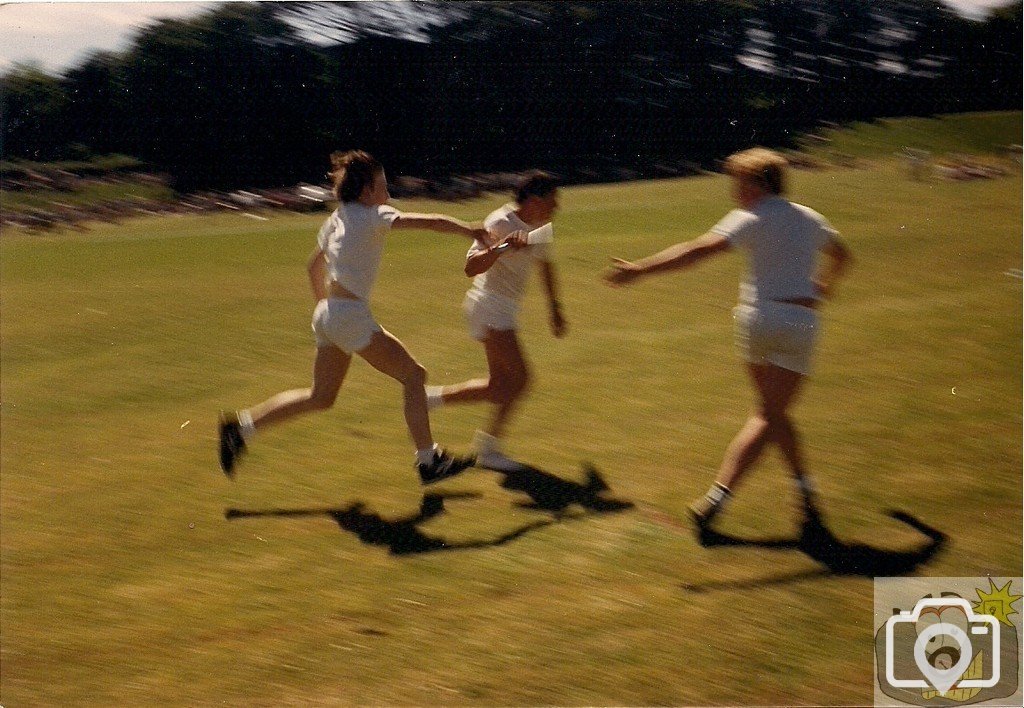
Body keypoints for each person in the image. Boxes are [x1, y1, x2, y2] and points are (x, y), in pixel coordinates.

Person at [604, 148, 852, 534]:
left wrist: (641, 269)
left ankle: (786, 498)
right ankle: (748, 499)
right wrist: (823, 289)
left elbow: (697, 251)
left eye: (738, 182)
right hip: (800, 322)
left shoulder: (750, 216)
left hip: (757, 319)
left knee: (770, 414)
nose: (734, 190)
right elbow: (843, 257)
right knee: (770, 415)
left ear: (756, 183)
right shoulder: (809, 217)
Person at [219, 150, 493, 484]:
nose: (388, 195)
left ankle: (242, 428)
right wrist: (472, 231)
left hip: (329, 314)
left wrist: (330, 315)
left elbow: (313, 268)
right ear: (366, 192)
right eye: (382, 187)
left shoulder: (337, 218)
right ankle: (428, 461)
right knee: (414, 376)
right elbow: (432, 222)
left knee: (321, 397)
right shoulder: (374, 214)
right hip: (347, 316)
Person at [425, 171, 567, 471]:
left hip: (504, 309)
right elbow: (471, 267)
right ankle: (488, 449)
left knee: (499, 386)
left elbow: (546, 267)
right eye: (553, 201)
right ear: (534, 199)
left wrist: (555, 307)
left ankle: (429, 399)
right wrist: (502, 247)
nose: (557, 207)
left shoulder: (542, 226)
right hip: (488, 306)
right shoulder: (500, 222)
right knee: (521, 379)